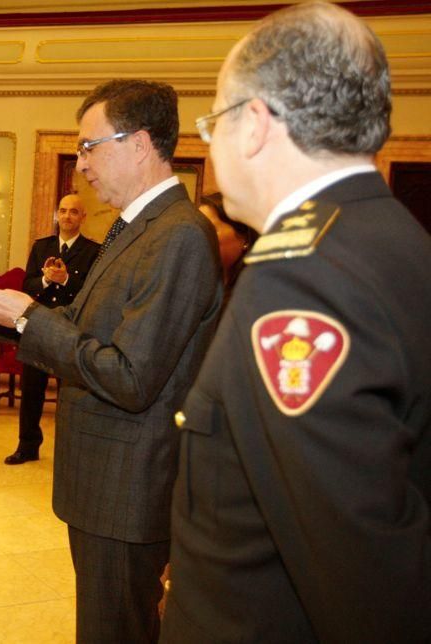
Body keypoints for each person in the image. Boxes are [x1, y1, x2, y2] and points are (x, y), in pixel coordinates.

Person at [161, 3, 431, 642]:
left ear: (253, 123)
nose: (208, 140)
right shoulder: (398, 239)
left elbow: (364, 574)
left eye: (214, 121)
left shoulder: (301, 281)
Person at [0, 80, 222, 643]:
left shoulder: (177, 236)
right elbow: (81, 327)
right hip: (104, 484)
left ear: (140, 144)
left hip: (129, 491)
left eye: (89, 146)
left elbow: (130, 377)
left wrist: (29, 317)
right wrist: (3, 306)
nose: (80, 165)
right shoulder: (133, 229)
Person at [5, 194, 99, 465]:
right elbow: (27, 285)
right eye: (63, 211)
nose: (67, 216)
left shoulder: (93, 251)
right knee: (32, 389)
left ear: (82, 217)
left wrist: (67, 279)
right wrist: (46, 280)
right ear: (57, 215)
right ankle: (27, 446)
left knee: (70, 393)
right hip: (39, 326)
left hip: (70, 329)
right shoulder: (41, 246)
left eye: (73, 212)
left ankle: (71, 452)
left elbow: (91, 293)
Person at [197, 192, 256, 294]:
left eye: (210, 229)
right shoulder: (199, 281)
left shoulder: (258, 287)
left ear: (245, 237)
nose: (199, 237)